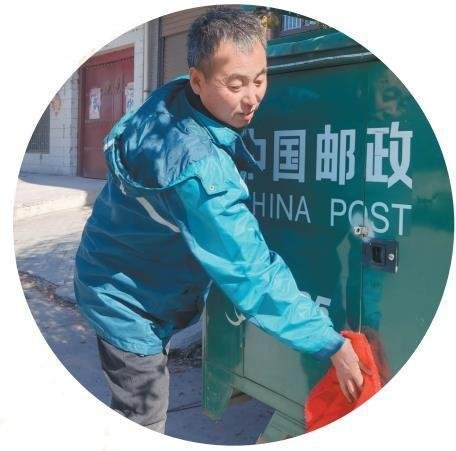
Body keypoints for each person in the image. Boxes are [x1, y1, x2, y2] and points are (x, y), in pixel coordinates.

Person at [74, 6, 365, 434]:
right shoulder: (199, 171)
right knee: (144, 413)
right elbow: (251, 274)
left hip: (114, 263)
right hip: (125, 300)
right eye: (236, 84)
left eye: (260, 79)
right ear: (198, 80)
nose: (252, 98)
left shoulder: (174, 99)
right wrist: (330, 344)